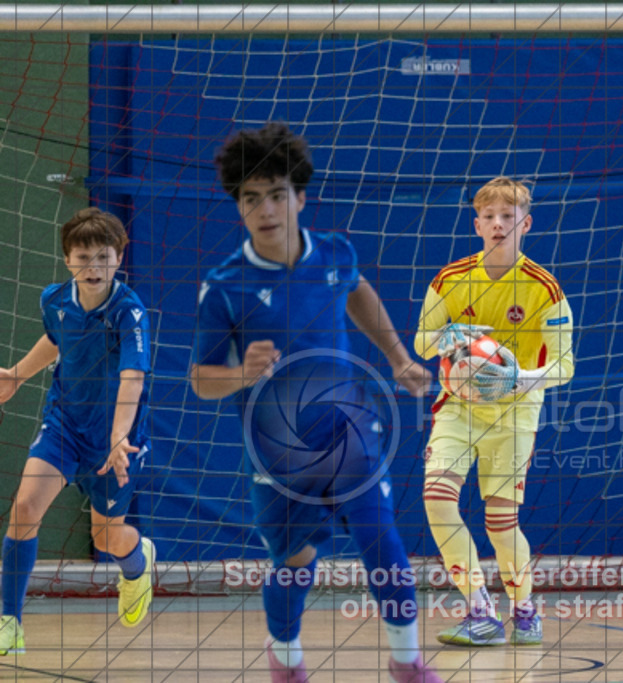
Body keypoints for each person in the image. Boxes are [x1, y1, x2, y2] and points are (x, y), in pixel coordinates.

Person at [190, 122, 440, 683]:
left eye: (277, 194)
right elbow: (201, 380)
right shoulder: (224, 286)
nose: (265, 209)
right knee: (296, 562)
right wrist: (241, 373)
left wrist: (398, 357)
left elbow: (357, 290)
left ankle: (407, 663)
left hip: (349, 431)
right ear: (239, 207)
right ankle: (286, 659)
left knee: (382, 539)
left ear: (299, 198)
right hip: (278, 452)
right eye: (251, 198)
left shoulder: (334, 254)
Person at [414, 177, 575, 646]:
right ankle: (480, 610)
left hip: (515, 412)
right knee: (437, 498)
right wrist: (445, 338)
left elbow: (565, 366)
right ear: (477, 225)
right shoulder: (450, 278)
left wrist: (516, 378)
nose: (499, 224)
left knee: (500, 523)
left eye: (508, 216)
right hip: (458, 408)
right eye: (490, 216)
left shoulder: (545, 288)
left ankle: (524, 610)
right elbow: (422, 341)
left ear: (526, 224)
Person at [0, 207, 156, 655]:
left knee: (107, 538)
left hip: (116, 441)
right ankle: (10, 621)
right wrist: (16, 375)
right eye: (83, 258)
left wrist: (118, 436)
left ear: (119, 257)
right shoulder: (54, 300)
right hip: (64, 424)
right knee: (25, 507)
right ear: (68, 259)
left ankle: (138, 562)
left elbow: (133, 378)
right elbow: (56, 340)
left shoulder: (129, 312)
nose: (93, 267)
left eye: (103, 257)